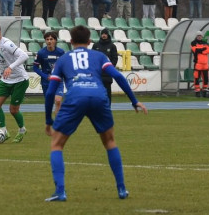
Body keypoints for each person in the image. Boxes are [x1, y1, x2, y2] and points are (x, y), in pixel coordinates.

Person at [43, 24, 148, 202]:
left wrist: (48, 120)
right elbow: (118, 76)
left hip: (75, 97)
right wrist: (134, 100)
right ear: (90, 41)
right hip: (98, 95)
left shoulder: (63, 59)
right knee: (110, 142)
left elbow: (51, 91)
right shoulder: (99, 56)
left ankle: (60, 191)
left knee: (57, 144)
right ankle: (122, 189)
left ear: (71, 41)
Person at [0, 21, 30, 143]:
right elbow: (2, 61)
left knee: (13, 110)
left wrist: (11, 67)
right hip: (6, 80)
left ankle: (22, 129)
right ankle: (3, 131)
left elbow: (24, 56)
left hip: (20, 80)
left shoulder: (7, 44)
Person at [35, 30, 65, 116]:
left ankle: (58, 122)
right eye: (47, 39)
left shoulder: (61, 52)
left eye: (51, 39)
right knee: (49, 103)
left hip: (58, 80)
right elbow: (35, 67)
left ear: (55, 40)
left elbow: (64, 65)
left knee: (58, 100)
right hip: (46, 82)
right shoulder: (41, 53)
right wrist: (45, 76)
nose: (49, 41)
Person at [92, 28, 119, 101]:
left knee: (107, 94)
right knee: (97, 94)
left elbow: (115, 58)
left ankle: (107, 107)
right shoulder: (95, 45)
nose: (104, 35)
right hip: (98, 74)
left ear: (108, 35)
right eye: (102, 34)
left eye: (105, 34)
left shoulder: (112, 46)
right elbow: (92, 58)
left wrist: (110, 68)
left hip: (107, 74)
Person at [189, 32, 209, 96]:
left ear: (202, 36)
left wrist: (200, 51)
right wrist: (203, 49)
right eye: (198, 35)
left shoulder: (205, 43)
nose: (199, 37)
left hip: (205, 63)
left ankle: (204, 90)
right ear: (196, 36)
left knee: (206, 77)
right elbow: (194, 50)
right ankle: (197, 91)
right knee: (196, 77)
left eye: (200, 35)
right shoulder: (193, 43)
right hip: (198, 63)